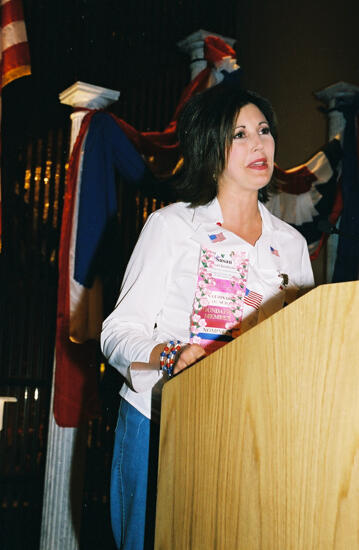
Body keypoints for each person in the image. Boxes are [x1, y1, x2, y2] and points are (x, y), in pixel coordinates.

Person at [100, 83, 314, 550]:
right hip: (160, 421)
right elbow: (117, 332)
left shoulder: (292, 245)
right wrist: (171, 354)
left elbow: (302, 344)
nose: (259, 144)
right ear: (209, 147)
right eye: (239, 134)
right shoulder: (172, 226)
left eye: (264, 130)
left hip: (248, 432)